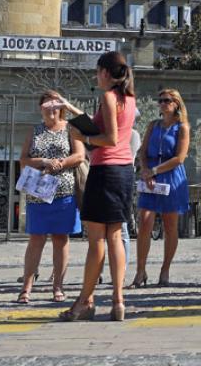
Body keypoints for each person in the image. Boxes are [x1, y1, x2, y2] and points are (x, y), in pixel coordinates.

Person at [59, 51, 136, 323]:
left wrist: (83, 138)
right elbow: (105, 126)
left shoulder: (108, 96)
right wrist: (72, 110)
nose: (96, 76)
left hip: (105, 170)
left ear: (105, 72)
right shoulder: (129, 98)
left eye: (97, 72)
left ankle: (83, 303)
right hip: (125, 171)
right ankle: (118, 301)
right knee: (116, 236)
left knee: (96, 241)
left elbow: (109, 138)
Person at [17, 90, 85, 304]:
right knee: (36, 239)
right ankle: (26, 288)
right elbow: (24, 159)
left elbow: (80, 155)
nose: (52, 109)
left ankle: (58, 286)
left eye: (55, 105)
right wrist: (44, 161)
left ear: (62, 107)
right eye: (47, 105)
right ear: (41, 108)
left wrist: (61, 163)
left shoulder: (71, 129)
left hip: (64, 191)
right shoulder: (34, 131)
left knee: (60, 239)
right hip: (39, 192)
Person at [131, 88, 191, 287]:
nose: (163, 104)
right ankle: (140, 271)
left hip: (171, 176)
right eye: (160, 100)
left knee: (169, 225)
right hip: (151, 177)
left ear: (176, 104)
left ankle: (165, 270)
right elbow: (142, 151)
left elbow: (180, 158)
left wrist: (155, 170)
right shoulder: (153, 125)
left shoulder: (182, 127)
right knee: (145, 221)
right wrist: (146, 169)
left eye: (167, 100)